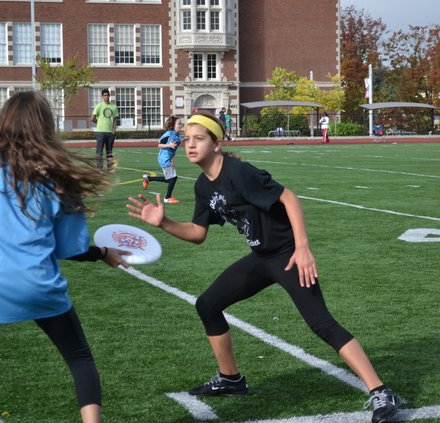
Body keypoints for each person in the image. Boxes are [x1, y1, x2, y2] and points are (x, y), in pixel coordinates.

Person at [126, 111, 403, 423]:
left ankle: (380, 390)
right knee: (208, 304)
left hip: (287, 255)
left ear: (216, 144)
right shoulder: (203, 186)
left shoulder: (239, 172)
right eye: (186, 140)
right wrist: (163, 222)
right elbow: (197, 234)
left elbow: (290, 199)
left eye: (198, 139)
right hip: (261, 258)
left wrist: (303, 248)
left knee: (321, 324)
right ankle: (231, 380)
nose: (189, 145)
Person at [0, 91, 131, 423]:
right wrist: (105, 253)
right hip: (40, 285)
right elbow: (73, 249)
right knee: (79, 357)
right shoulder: (59, 178)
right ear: (46, 126)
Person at [142, 115, 183, 204]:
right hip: (164, 158)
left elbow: (174, 150)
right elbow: (159, 145)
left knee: (170, 179)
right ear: (173, 125)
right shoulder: (169, 134)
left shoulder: (179, 137)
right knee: (173, 178)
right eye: (179, 123)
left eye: (181, 123)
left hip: (168, 158)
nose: (181, 125)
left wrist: (172, 159)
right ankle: (167, 197)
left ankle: (148, 178)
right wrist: (169, 145)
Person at [91, 88, 119, 170]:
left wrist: (114, 130)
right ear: (102, 96)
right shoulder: (99, 106)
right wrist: (99, 123)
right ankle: (99, 168)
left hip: (110, 133)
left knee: (109, 152)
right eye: (105, 95)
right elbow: (92, 118)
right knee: (99, 151)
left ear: (109, 96)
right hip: (100, 132)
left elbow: (115, 120)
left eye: (108, 95)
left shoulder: (114, 107)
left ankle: (109, 168)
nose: (106, 97)